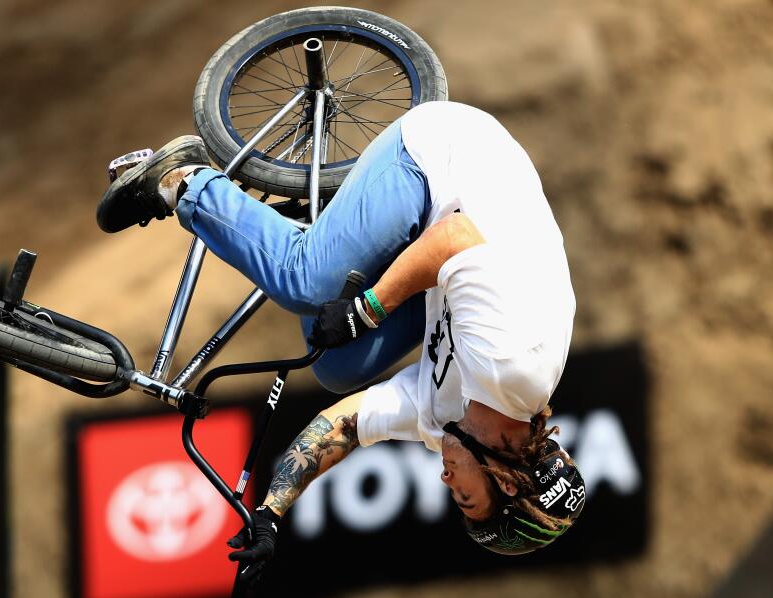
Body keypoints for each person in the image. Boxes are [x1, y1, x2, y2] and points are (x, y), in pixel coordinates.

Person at [97, 101, 585, 561]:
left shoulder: (451, 427)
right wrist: (367, 310)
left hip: (442, 252)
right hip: (449, 155)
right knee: (302, 283)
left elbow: (345, 426)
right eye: (463, 496)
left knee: (337, 366)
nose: (444, 481)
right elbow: (457, 237)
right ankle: (182, 178)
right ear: (508, 482)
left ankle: (335, 233)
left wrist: (270, 514)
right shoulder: (517, 366)